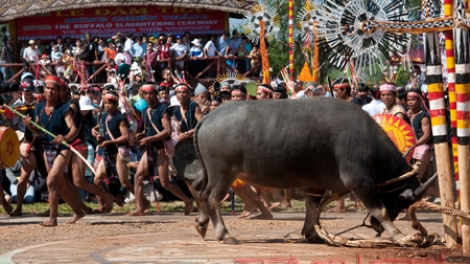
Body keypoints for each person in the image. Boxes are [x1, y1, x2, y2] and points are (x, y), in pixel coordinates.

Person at [24, 75, 85, 226]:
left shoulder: (65, 108)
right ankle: (78, 211)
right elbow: (38, 131)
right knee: (61, 185)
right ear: (43, 90)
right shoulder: (39, 108)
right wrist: (29, 125)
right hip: (47, 148)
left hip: (63, 149)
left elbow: (74, 129)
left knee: (50, 180)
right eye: (47, 88)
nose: (50, 91)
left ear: (58, 91)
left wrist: (64, 137)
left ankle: (53, 218)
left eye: (53, 89)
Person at [129, 83, 190, 215]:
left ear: (156, 95)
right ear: (143, 96)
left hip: (161, 148)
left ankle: (187, 200)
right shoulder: (145, 111)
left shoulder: (163, 109)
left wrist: (149, 139)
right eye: (145, 94)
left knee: (164, 183)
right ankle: (140, 208)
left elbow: (167, 131)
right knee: (138, 176)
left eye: (151, 93)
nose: (148, 96)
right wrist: (141, 137)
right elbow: (147, 130)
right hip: (150, 148)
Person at [92, 90, 134, 212]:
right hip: (107, 153)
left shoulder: (120, 118)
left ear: (116, 104)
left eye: (110, 103)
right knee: (97, 180)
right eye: (105, 103)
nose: (107, 105)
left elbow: (125, 136)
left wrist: (109, 142)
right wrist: (94, 133)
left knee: (124, 182)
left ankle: (143, 202)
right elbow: (100, 130)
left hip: (119, 153)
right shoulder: (104, 116)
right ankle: (101, 206)